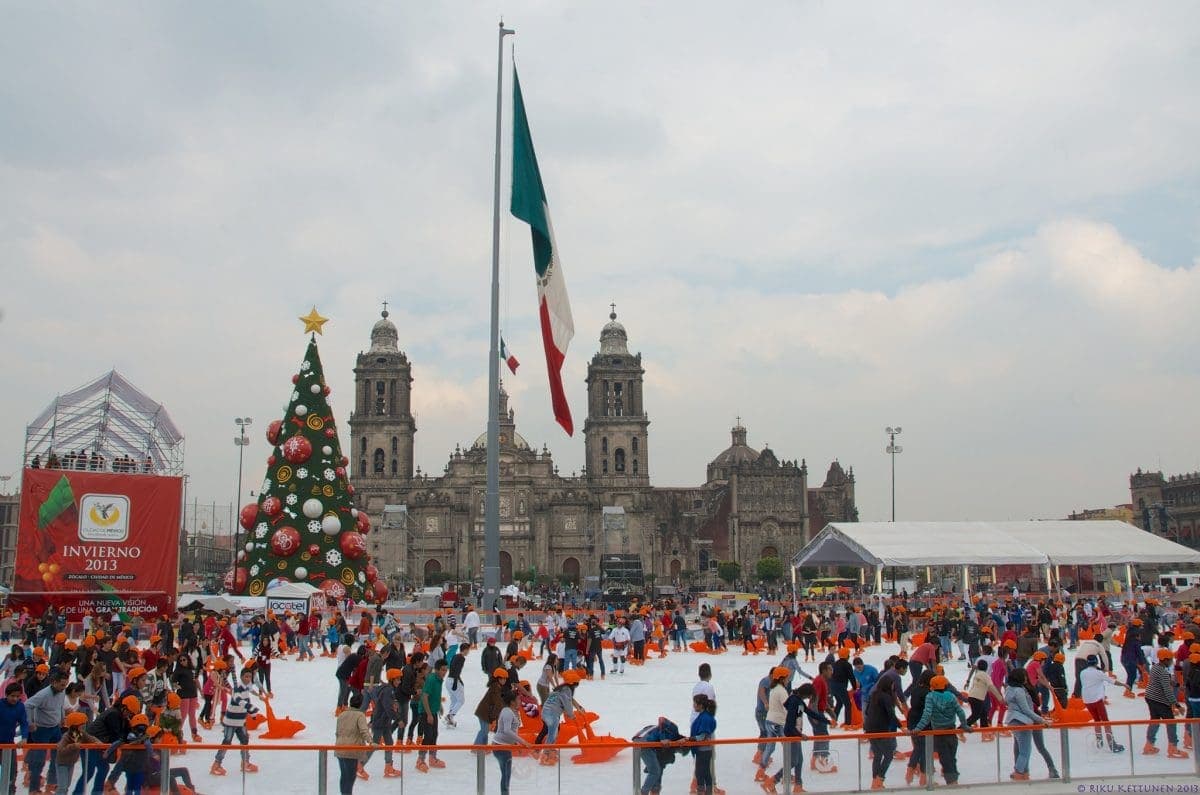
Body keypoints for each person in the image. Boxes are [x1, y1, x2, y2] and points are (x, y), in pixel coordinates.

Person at [910, 674, 970, 786]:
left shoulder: (930, 697)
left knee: (945, 759)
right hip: (951, 732)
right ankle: (953, 780)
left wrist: (917, 729)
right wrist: (964, 725)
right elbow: (960, 712)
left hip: (938, 733)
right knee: (951, 758)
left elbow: (926, 715)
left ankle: (952, 782)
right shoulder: (951, 696)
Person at [210, 666, 260, 776]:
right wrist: (251, 708)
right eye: (246, 676)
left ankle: (245, 762)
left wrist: (258, 696)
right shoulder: (237, 688)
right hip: (231, 721)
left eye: (249, 677)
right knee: (227, 741)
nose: (248, 679)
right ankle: (216, 764)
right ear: (241, 677)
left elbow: (251, 691)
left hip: (241, 721)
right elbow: (238, 700)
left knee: (244, 741)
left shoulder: (247, 687)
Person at [1005, 667, 1053, 780]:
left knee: (1020, 749)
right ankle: (1018, 771)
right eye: (1024, 676)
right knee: (1025, 750)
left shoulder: (1009, 689)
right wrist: (1042, 720)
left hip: (1012, 721)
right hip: (1022, 722)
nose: (1026, 677)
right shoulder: (1019, 691)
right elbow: (1026, 710)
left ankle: (1024, 773)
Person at [25, 668, 68, 794]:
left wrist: (61, 718)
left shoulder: (62, 691)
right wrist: (30, 722)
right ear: (54, 682)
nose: (63, 687)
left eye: (65, 685)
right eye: (61, 685)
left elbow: (60, 705)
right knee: (39, 760)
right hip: (41, 730)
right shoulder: (43, 694)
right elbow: (27, 704)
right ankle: (34, 788)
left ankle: (51, 783)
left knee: (58, 757)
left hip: (55, 728)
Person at [1144, 647, 1188, 758]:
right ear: (1165, 660)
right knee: (1171, 723)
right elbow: (1167, 691)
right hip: (1159, 700)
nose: (1172, 661)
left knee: (1154, 720)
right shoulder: (1163, 672)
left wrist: (1177, 685)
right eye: (1170, 659)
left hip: (1150, 697)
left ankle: (1149, 745)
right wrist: (1177, 705)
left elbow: (1167, 679)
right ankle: (1173, 747)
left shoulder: (1155, 667)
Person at [864, 675, 903, 790]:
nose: (893, 687)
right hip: (880, 729)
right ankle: (879, 779)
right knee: (889, 754)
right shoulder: (886, 697)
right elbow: (891, 714)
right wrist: (901, 727)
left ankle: (875, 782)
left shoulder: (874, 695)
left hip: (870, 728)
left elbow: (866, 711)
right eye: (892, 685)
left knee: (877, 755)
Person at [1080, 654, 1124, 753]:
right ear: (1096, 662)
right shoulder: (1098, 673)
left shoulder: (1082, 673)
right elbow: (1112, 681)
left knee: (1097, 720)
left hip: (1087, 700)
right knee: (1105, 721)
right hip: (1097, 700)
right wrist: (1124, 685)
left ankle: (1099, 742)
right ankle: (1112, 744)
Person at [364, 668, 403, 779]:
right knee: (375, 745)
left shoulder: (389, 690)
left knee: (389, 743)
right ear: (391, 679)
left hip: (384, 722)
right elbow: (387, 708)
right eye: (397, 679)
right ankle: (360, 765)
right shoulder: (387, 690)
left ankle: (388, 767)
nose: (399, 682)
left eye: (399, 679)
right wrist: (398, 719)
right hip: (380, 722)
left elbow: (388, 705)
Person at [633, 717, 684, 795]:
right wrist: (663, 738)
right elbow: (661, 719)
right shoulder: (674, 730)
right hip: (644, 742)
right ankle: (643, 792)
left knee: (655, 770)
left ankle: (648, 791)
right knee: (655, 772)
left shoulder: (668, 736)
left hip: (640, 740)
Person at [492, 690, 530, 795]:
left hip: (504, 746)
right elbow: (507, 730)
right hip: (500, 747)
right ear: (512, 702)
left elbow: (511, 731)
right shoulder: (507, 712)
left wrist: (516, 744)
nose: (519, 700)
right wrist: (524, 742)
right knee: (506, 774)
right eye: (518, 699)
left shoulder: (510, 711)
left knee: (506, 774)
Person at [335, 690, 372, 794]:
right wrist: (371, 742)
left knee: (344, 776)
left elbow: (337, 732)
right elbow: (364, 731)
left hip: (339, 748)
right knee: (350, 777)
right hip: (352, 750)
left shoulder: (342, 715)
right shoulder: (360, 715)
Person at [415, 658, 448, 772]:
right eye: (443, 670)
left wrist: (439, 706)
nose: (445, 672)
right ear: (437, 670)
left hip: (433, 711)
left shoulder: (439, 679)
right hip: (425, 712)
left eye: (446, 670)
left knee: (434, 734)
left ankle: (432, 758)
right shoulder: (432, 679)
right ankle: (420, 760)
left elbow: (435, 694)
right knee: (428, 735)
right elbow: (424, 697)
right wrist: (428, 714)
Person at [0, 683, 27, 794]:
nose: (15, 699)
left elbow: (24, 723)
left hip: (9, 745)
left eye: (17, 696)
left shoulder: (20, 706)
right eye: (12, 696)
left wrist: (24, 737)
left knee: (11, 773)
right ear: (6, 695)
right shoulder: (0, 705)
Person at [690, 694, 718, 795]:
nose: (693, 705)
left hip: (704, 751)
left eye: (695, 703)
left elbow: (702, 736)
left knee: (701, 773)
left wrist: (690, 739)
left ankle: (703, 792)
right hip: (703, 750)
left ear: (701, 705)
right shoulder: (704, 716)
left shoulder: (705, 717)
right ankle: (705, 792)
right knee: (703, 772)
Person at [445, 644, 468, 727]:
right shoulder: (461, 658)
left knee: (454, 700)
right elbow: (457, 670)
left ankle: (450, 720)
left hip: (448, 680)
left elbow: (452, 667)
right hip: (453, 680)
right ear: (465, 650)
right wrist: (456, 681)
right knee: (461, 700)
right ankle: (450, 716)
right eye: (468, 650)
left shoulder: (455, 656)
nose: (468, 652)